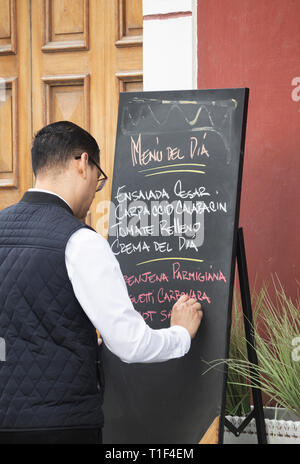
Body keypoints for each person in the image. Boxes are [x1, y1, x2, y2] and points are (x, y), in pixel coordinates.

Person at [0, 121, 203, 444]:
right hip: (60, 426)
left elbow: (24, 326)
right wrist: (180, 334)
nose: (96, 194)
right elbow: (130, 344)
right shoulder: (80, 240)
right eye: (98, 180)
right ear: (83, 163)